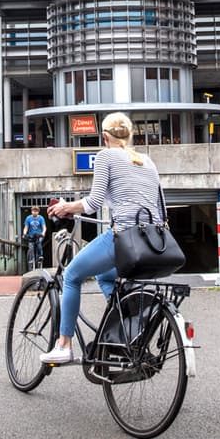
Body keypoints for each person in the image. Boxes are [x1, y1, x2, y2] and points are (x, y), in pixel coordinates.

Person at [39, 111, 167, 365]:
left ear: (105, 136)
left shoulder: (105, 155)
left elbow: (93, 203)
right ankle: (125, 331)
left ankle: (64, 345)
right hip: (152, 242)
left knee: (72, 275)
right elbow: (161, 207)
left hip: (124, 238)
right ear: (130, 136)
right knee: (105, 275)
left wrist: (65, 207)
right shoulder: (147, 161)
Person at [22, 206, 47, 271]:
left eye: (36, 211)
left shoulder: (41, 218)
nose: (34, 212)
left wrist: (43, 233)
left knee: (38, 243)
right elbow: (26, 227)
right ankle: (31, 260)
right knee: (31, 248)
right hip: (31, 236)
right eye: (33, 211)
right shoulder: (28, 218)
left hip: (39, 235)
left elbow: (44, 227)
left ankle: (40, 256)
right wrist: (24, 233)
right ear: (31, 211)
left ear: (38, 212)